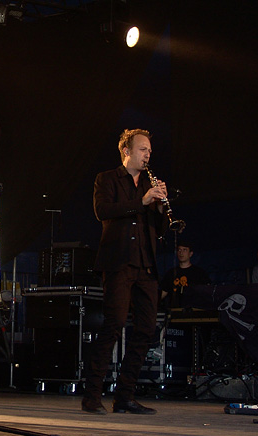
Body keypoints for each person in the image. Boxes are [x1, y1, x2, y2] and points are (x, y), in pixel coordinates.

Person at [82, 129, 167, 415]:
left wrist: (159, 207)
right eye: (143, 150)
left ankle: (125, 397)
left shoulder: (149, 183)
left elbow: (160, 229)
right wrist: (140, 202)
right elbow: (102, 211)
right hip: (118, 262)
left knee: (145, 330)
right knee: (113, 326)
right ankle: (92, 396)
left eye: (149, 151)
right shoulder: (106, 178)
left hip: (146, 264)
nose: (148, 155)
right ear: (126, 151)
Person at [160, 241, 210, 308]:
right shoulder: (171, 273)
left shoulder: (199, 273)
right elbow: (164, 292)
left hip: (194, 310)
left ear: (190, 254)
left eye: (184, 250)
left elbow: (207, 291)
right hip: (175, 311)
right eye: (179, 250)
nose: (181, 253)